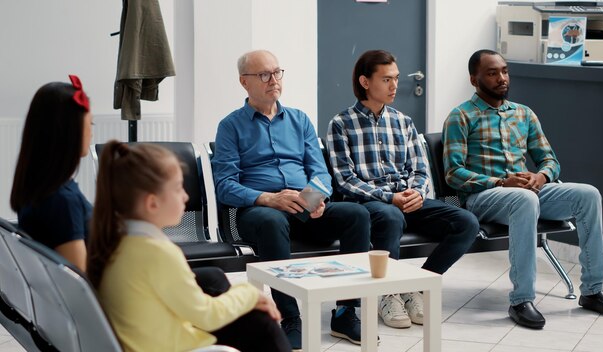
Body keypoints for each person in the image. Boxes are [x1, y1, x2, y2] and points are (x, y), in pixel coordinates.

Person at [442, 49, 603, 329]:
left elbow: (549, 160)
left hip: (526, 190)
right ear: (473, 79)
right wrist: (501, 182)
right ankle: (521, 299)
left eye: (504, 71)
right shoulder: (461, 117)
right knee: (523, 200)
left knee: (588, 194)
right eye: (492, 73)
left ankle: (592, 291)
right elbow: (453, 174)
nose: (501, 78)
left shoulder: (524, 114)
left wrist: (541, 176)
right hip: (483, 196)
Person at [211, 50, 371, 349]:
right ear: (244, 82)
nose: (273, 80)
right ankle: (290, 317)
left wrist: (313, 199)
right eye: (264, 75)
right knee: (271, 221)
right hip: (259, 212)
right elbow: (225, 186)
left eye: (277, 72)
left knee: (356, 215)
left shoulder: (299, 120)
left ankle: (346, 311)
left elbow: (320, 172)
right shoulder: (230, 126)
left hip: (304, 208)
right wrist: (268, 198)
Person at [88, 140, 290, 352]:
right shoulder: (158, 253)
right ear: (152, 203)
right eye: (178, 188)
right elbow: (207, 316)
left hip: (148, 341)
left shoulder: (115, 240)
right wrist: (250, 293)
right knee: (262, 325)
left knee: (252, 317)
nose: (185, 196)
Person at [327, 50, 479, 329]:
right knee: (390, 216)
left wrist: (417, 193)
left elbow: (420, 170)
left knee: (466, 222)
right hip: (370, 204)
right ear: (364, 81)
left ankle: (416, 287)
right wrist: (390, 197)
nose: (394, 86)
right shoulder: (341, 124)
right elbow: (345, 180)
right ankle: (387, 293)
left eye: (395, 79)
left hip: (407, 199)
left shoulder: (403, 122)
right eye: (386, 79)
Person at [10, 75, 93, 271]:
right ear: (69, 133)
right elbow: (79, 283)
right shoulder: (64, 202)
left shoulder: (35, 188)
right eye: (90, 124)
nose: (92, 132)